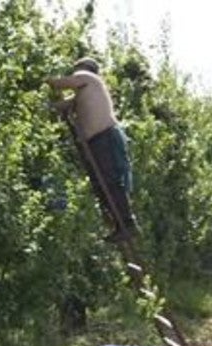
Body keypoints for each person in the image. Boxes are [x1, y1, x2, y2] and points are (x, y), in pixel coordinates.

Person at [47, 57, 138, 243]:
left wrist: (43, 79)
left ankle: (128, 224)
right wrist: (48, 106)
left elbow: (59, 84)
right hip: (97, 142)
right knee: (101, 184)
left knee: (111, 182)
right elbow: (63, 106)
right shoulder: (84, 92)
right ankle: (119, 225)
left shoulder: (87, 77)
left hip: (105, 137)